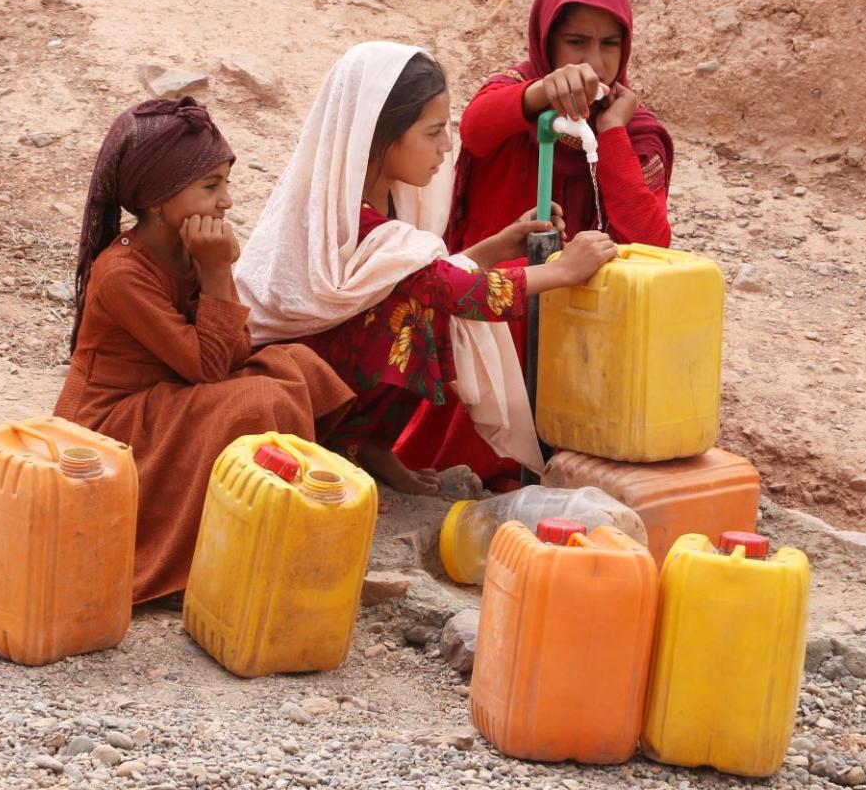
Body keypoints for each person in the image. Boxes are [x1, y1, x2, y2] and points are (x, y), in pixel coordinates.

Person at [0, 98, 354, 604]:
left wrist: (215, 271)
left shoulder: (189, 248)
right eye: (210, 186)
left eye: (225, 183)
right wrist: (217, 272)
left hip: (171, 391)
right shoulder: (122, 273)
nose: (227, 201)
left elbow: (233, 350)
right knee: (258, 404)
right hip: (114, 419)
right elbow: (211, 369)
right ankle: (185, 557)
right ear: (156, 201)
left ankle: (270, 510)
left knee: (296, 365)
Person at [234, 42, 616, 495]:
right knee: (417, 312)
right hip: (291, 372)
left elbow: (425, 273)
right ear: (381, 136)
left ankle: (368, 446)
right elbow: (449, 289)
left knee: (421, 303)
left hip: (331, 357)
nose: (446, 145)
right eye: (433, 132)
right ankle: (336, 442)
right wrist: (564, 271)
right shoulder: (346, 212)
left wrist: (498, 245)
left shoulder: (388, 194)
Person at [398, 0, 678, 487]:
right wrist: (543, 95)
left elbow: (650, 237)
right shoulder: (517, 90)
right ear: (546, 39)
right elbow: (478, 131)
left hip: (587, 318)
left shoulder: (634, 127)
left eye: (610, 44)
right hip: (499, 306)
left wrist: (612, 133)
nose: (595, 63)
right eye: (577, 42)